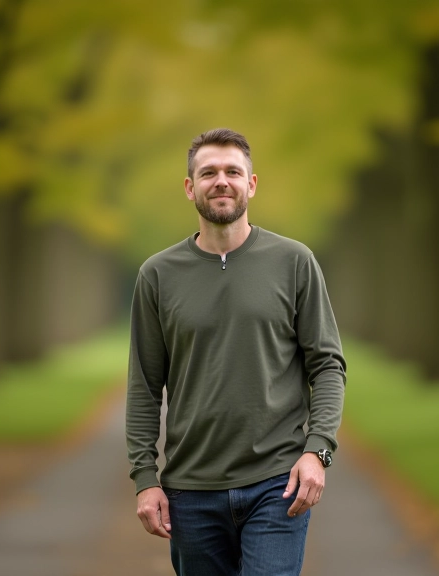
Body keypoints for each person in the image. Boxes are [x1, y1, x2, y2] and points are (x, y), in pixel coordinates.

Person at [126, 127, 347, 576]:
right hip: (190, 492)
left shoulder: (294, 262)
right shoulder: (157, 275)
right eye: (208, 172)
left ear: (252, 183)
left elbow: (327, 365)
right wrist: (144, 479)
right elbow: (145, 386)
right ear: (190, 188)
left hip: (278, 485)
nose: (221, 180)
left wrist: (317, 450)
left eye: (233, 171)